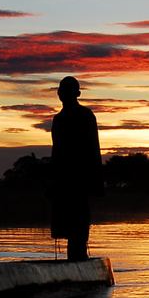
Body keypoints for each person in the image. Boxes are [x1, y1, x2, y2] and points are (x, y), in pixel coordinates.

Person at [49, 76, 103, 261]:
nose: (65, 95)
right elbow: (56, 152)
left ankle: (77, 261)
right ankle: (74, 263)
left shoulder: (86, 116)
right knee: (66, 226)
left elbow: (94, 149)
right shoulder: (58, 119)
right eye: (63, 92)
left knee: (78, 228)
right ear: (59, 94)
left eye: (69, 92)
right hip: (63, 180)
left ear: (76, 94)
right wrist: (52, 182)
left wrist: (97, 181)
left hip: (80, 180)